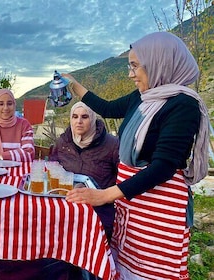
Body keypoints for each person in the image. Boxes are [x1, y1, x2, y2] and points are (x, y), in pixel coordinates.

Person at [63, 32, 209, 280]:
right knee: (127, 267)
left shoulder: (182, 105)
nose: (130, 74)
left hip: (159, 205)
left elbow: (163, 167)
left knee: (152, 271)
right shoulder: (142, 97)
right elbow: (108, 108)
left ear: (158, 63)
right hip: (132, 199)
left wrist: (105, 195)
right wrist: (74, 85)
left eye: (135, 66)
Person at [50, 101, 119, 241]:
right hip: (66, 204)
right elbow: (51, 167)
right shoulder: (63, 141)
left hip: (99, 209)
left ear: (92, 119)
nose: (79, 121)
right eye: (75, 117)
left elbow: (123, 178)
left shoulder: (111, 144)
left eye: (84, 117)